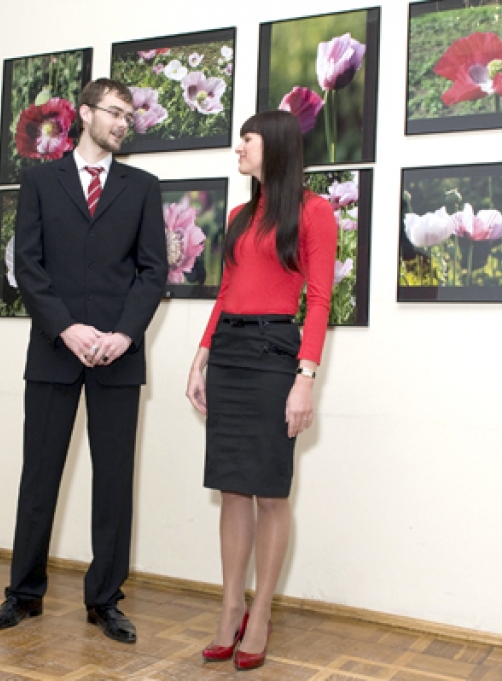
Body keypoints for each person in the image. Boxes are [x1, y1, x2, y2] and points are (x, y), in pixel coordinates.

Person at [0, 78, 168, 644]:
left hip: (118, 355)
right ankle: (23, 594)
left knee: (114, 483)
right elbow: (28, 267)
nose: (123, 123)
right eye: (113, 112)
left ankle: (105, 600)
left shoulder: (142, 187)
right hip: (53, 351)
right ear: (84, 114)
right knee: (39, 477)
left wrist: (123, 335)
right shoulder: (40, 180)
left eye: (128, 116)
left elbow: (153, 272)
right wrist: (65, 327)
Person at [185, 110, 338, 670]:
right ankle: (230, 609)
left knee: (271, 493)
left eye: (245, 141)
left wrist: (306, 378)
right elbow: (225, 293)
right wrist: (200, 358)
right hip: (228, 354)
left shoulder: (315, 212)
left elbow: (318, 300)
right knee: (231, 489)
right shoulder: (239, 215)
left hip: (277, 356)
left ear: (271, 146)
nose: (238, 150)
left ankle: (262, 613)